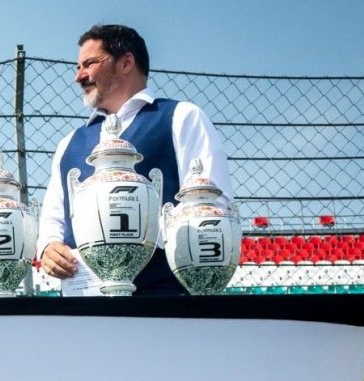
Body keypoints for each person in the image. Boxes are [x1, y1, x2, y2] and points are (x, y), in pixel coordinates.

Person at [37, 24, 233, 295]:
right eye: (78, 67)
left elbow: (213, 206)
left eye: (89, 64)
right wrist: (48, 246)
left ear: (126, 62)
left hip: (161, 297)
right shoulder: (69, 143)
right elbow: (53, 217)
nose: (79, 76)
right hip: (82, 302)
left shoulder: (181, 117)